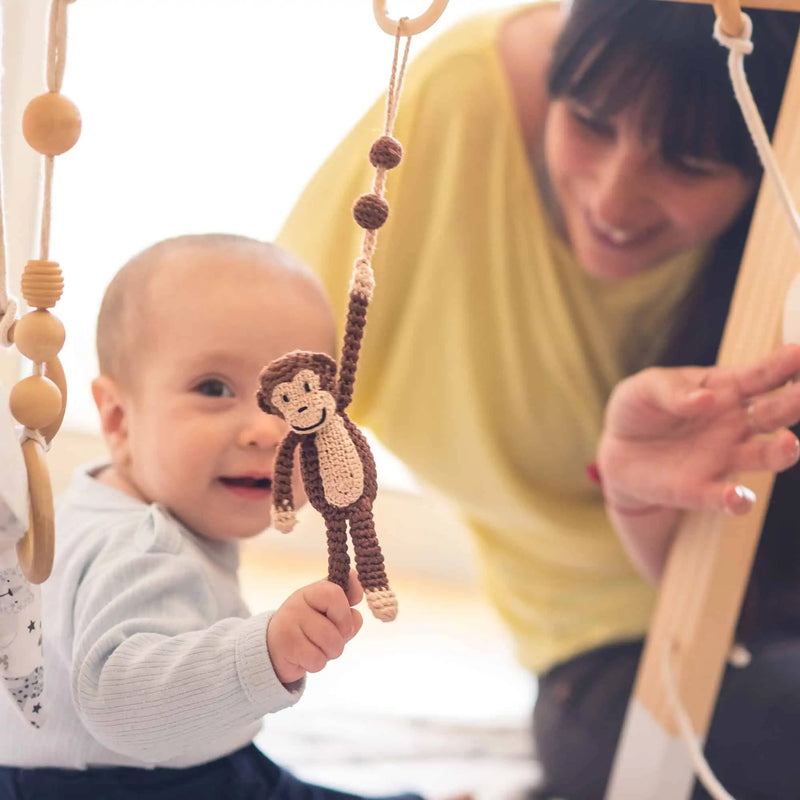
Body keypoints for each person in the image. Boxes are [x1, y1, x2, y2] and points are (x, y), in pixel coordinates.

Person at [276, 1, 800, 797]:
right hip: (609, 651)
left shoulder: (774, 237)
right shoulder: (456, 103)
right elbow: (269, 374)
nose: (614, 202)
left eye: (688, 165)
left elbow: (762, 590)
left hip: (760, 605)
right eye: (589, 123)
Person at [0, 234, 427, 800]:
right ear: (119, 418)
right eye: (214, 388)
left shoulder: (97, 503)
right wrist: (267, 651)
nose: (266, 430)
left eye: (293, 401)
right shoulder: (142, 545)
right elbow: (120, 702)